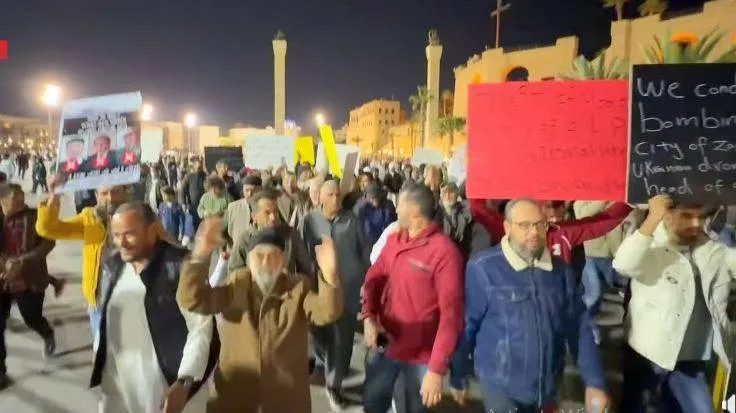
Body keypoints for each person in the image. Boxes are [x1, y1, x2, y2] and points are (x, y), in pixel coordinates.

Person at [450, 199, 608, 412]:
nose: (534, 232)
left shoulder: (561, 271)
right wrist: (458, 373)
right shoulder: (483, 268)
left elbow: (578, 326)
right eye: (524, 225)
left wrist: (594, 381)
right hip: (501, 389)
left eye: (540, 224)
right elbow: (467, 325)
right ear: (507, 227)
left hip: (549, 388)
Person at [177, 220, 343, 413]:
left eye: (273, 256)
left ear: (282, 260)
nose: (266, 263)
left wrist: (330, 276)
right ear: (249, 260)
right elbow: (192, 299)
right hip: (234, 399)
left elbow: (327, 311)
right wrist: (200, 255)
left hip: (285, 402)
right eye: (260, 256)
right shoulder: (236, 284)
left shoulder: (298, 287)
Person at [91, 203, 218, 413]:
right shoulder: (113, 266)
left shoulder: (181, 266)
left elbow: (201, 329)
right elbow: (108, 319)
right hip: (118, 390)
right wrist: (98, 351)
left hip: (167, 391)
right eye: (116, 235)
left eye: (129, 234)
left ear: (151, 231)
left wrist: (184, 382)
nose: (121, 242)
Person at [614, 195, 736, 413]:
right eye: (686, 216)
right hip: (647, 353)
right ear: (668, 216)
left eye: (700, 217)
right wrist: (652, 219)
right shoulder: (651, 244)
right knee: (635, 406)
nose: (695, 224)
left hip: (690, 359)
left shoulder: (713, 251)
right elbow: (623, 264)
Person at [361, 183, 463, 413]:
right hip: (384, 344)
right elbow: (373, 279)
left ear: (415, 211)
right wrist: (369, 318)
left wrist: (436, 369)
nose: (396, 209)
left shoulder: (444, 253)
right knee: (372, 401)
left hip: (420, 357)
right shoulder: (394, 240)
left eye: (401, 204)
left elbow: (451, 317)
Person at [36, 175, 173, 342]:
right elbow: (47, 229)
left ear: (125, 192)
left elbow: (167, 245)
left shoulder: (142, 216)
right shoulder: (89, 219)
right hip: (100, 303)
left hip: (137, 302)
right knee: (103, 352)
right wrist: (54, 194)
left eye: (115, 192)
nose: (110, 198)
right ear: (96, 196)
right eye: (104, 193)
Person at [301, 179, 371, 410]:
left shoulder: (351, 219)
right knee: (318, 336)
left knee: (342, 342)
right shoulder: (310, 220)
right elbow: (302, 252)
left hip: (347, 292)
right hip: (319, 291)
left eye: (338, 195)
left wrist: (364, 277)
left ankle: (334, 384)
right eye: (330, 195)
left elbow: (364, 250)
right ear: (320, 197)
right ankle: (326, 363)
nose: (335, 199)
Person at [0, 184, 57, 389]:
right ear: (2, 200)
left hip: (29, 277)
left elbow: (48, 242)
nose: (21, 199)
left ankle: (47, 333)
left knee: (31, 316)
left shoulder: (34, 216)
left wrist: (23, 260)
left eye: (21, 195)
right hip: (3, 279)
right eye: (15, 196)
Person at [228, 189, 313, 276]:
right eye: (267, 213)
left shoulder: (291, 235)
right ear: (254, 216)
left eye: (275, 212)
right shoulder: (245, 239)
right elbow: (233, 273)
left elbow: (307, 270)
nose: (273, 217)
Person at [436, 182, 490, 259]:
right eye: (444, 192)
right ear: (440, 195)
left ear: (457, 194)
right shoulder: (435, 214)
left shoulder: (466, 212)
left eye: (451, 192)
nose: (447, 196)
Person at [223, 174, 262, 246]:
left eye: (254, 190)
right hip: (237, 248)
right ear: (243, 190)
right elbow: (223, 230)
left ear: (261, 190)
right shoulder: (232, 207)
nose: (250, 194)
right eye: (247, 190)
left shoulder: (266, 207)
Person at [359, 183, 397, 247]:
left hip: (388, 240)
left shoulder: (388, 205)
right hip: (372, 243)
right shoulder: (364, 208)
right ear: (368, 198)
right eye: (372, 198)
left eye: (376, 197)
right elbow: (366, 229)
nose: (375, 200)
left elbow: (394, 222)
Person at [182, 159, 207, 231]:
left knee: (202, 223)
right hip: (193, 204)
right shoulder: (189, 177)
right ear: (194, 167)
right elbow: (183, 190)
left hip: (203, 204)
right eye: (198, 167)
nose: (200, 169)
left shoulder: (205, 176)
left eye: (201, 167)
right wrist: (183, 202)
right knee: (194, 222)